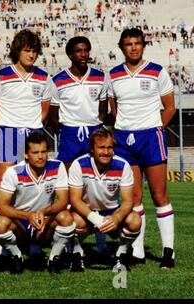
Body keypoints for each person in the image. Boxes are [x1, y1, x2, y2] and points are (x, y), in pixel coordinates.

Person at [108, 28, 176, 268]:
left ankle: (169, 252)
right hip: (125, 141)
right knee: (134, 197)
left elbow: (169, 108)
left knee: (159, 195)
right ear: (122, 47)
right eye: (129, 44)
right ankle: (137, 251)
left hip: (151, 137)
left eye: (138, 43)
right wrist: (127, 129)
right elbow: (114, 108)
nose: (134, 47)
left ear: (143, 45)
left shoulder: (157, 71)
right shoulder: (113, 74)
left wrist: (153, 128)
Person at [0, 131, 74, 274]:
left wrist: (44, 212)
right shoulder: (14, 172)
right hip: (20, 222)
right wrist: (27, 216)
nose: (41, 156)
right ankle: (16, 256)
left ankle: (53, 259)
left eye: (44, 151)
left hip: (44, 219)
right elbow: (0, 206)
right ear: (26, 154)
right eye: (35, 152)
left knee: (66, 218)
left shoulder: (57, 166)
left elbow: (63, 201)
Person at [68, 128, 141, 272]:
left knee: (135, 220)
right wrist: (97, 220)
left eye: (109, 147)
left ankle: (121, 254)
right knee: (75, 221)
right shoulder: (78, 164)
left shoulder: (123, 165)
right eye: (101, 147)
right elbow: (75, 200)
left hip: (111, 210)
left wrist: (116, 218)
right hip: (86, 211)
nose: (106, 152)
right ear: (92, 149)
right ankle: (76, 254)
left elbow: (127, 201)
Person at [0, 29, 53, 188]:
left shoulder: (45, 78)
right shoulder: (0, 76)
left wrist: (33, 126)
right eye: (27, 50)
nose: (31, 55)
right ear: (18, 51)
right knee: (6, 187)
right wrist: (6, 129)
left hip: (34, 132)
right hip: (8, 133)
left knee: (34, 185)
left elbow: (44, 111)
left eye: (34, 51)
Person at [49, 36, 108, 170]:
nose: (83, 54)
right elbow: (53, 116)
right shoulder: (57, 80)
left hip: (93, 132)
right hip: (69, 134)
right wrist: (65, 132)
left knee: (93, 177)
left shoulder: (100, 77)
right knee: (68, 178)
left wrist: (95, 126)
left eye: (86, 50)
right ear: (70, 55)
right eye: (78, 51)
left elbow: (103, 111)